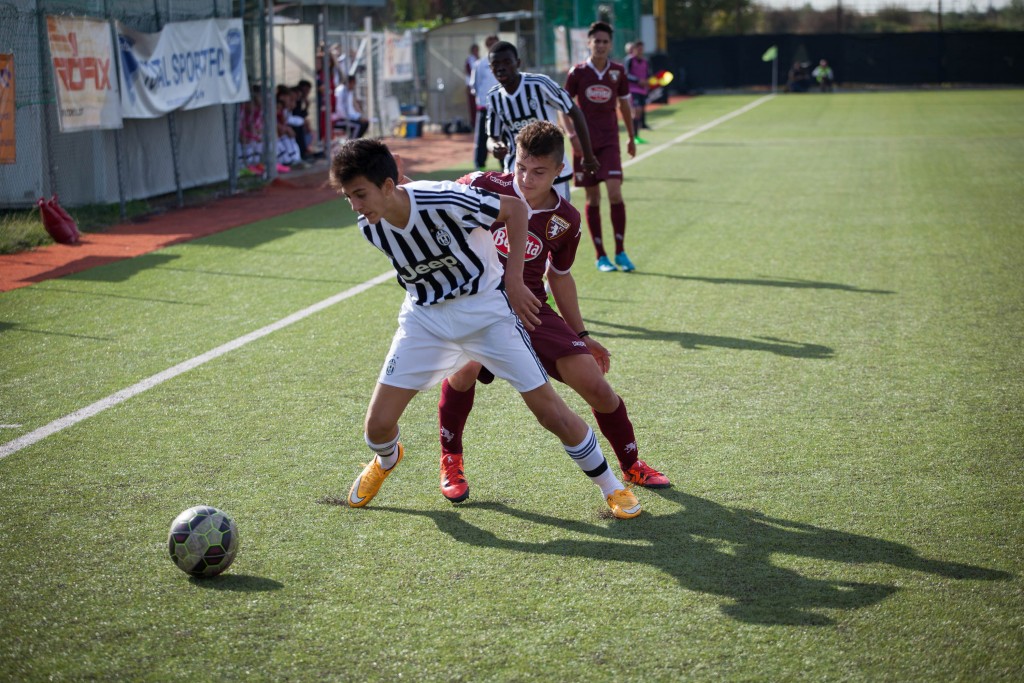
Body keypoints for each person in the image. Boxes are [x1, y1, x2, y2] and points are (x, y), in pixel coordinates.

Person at [329, 138, 643, 520]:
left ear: (388, 185)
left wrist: (513, 280)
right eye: (349, 197)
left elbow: (513, 209)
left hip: (486, 313)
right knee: (376, 428)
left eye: (361, 194)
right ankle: (387, 459)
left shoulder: (444, 199)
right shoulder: (370, 225)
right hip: (425, 320)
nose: (356, 207)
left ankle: (613, 486)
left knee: (551, 413)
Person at [435, 121, 670, 504]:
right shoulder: (482, 186)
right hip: (477, 308)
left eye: (538, 171)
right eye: (521, 166)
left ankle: (631, 464)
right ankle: (451, 460)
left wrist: (582, 334)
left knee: (595, 385)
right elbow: (431, 203)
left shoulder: (566, 220)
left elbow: (560, 278)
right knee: (464, 373)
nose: (526, 178)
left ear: (559, 170)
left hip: (531, 310)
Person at [484, 40, 599, 201]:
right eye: (495, 64)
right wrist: (495, 146)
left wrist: (588, 156)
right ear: (490, 68)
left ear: (517, 63)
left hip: (551, 171)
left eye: (506, 62)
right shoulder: (493, 97)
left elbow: (574, 112)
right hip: (516, 174)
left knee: (560, 223)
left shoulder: (539, 84)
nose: (501, 67)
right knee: (520, 224)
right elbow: (492, 137)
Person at [564, 21, 637, 273]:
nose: (601, 45)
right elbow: (563, 106)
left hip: (610, 142)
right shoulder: (577, 72)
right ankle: (601, 255)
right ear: (589, 43)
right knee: (593, 198)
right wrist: (571, 134)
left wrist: (630, 135)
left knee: (615, 193)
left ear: (610, 44)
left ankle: (621, 251)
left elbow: (625, 105)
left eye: (606, 41)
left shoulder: (617, 72)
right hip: (585, 144)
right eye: (597, 41)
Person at [469, 35, 500, 170]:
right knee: (482, 137)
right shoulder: (480, 64)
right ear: (487, 46)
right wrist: (482, 99)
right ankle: (479, 164)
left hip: (501, 107)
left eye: (495, 43)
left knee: (502, 136)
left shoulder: (503, 62)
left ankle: (505, 164)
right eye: (490, 44)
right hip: (484, 107)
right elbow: (474, 85)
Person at [624, 40, 651, 142]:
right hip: (632, 89)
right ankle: (633, 136)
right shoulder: (630, 60)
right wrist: (638, 80)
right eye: (638, 49)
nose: (640, 51)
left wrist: (648, 81)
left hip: (642, 90)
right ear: (634, 49)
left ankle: (636, 135)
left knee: (639, 112)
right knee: (636, 112)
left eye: (641, 49)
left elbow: (648, 74)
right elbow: (626, 74)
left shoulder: (646, 61)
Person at [238, 84, 264, 170]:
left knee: (258, 140)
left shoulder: (255, 112)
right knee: (249, 143)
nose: (255, 107)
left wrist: (255, 135)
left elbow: (255, 128)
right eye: (253, 104)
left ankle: (255, 165)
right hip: (240, 140)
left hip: (249, 137)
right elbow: (240, 130)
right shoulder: (240, 110)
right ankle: (243, 168)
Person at [465, 43, 480, 128]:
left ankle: (477, 123)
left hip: (478, 86)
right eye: (475, 50)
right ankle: (474, 124)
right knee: (473, 106)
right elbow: (470, 73)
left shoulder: (478, 59)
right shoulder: (470, 60)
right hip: (472, 86)